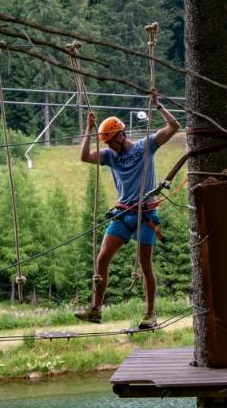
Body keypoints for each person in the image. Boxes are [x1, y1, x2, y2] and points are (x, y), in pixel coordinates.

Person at [75, 89, 180, 329]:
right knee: (102, 259)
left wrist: (158, 105)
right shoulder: (110, 157)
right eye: (107, 143)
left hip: (146, 215)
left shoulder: (145, 147)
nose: (110, 146)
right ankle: (96, 310)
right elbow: (84, 157)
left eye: (112, 141)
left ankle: (150, 314)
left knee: (145, 265)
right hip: (123, 214)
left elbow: (173, 127)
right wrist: (90, 130)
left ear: (121, 135)